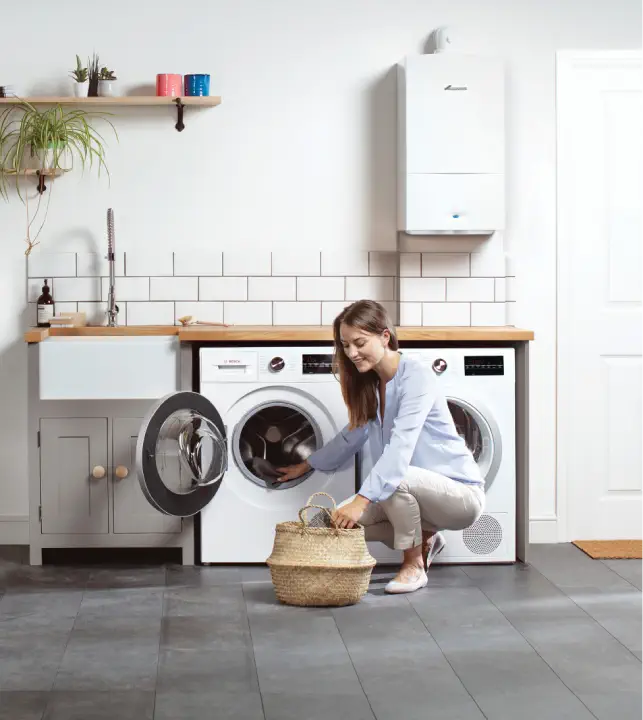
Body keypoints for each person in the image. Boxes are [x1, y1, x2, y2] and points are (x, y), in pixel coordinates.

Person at [277, 299, 484, 594]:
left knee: (392, 480)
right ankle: (427, 538)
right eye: (346, 345)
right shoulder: (372, 386)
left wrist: (361, 501)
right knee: (331, 523)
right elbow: (350, 436)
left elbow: (400, 448)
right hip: (412, 492)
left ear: (385, 336)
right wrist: (306, 464)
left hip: (460, 495)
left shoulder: (417, 376)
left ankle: (413, 565)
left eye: (359, 343)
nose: (351, 353)